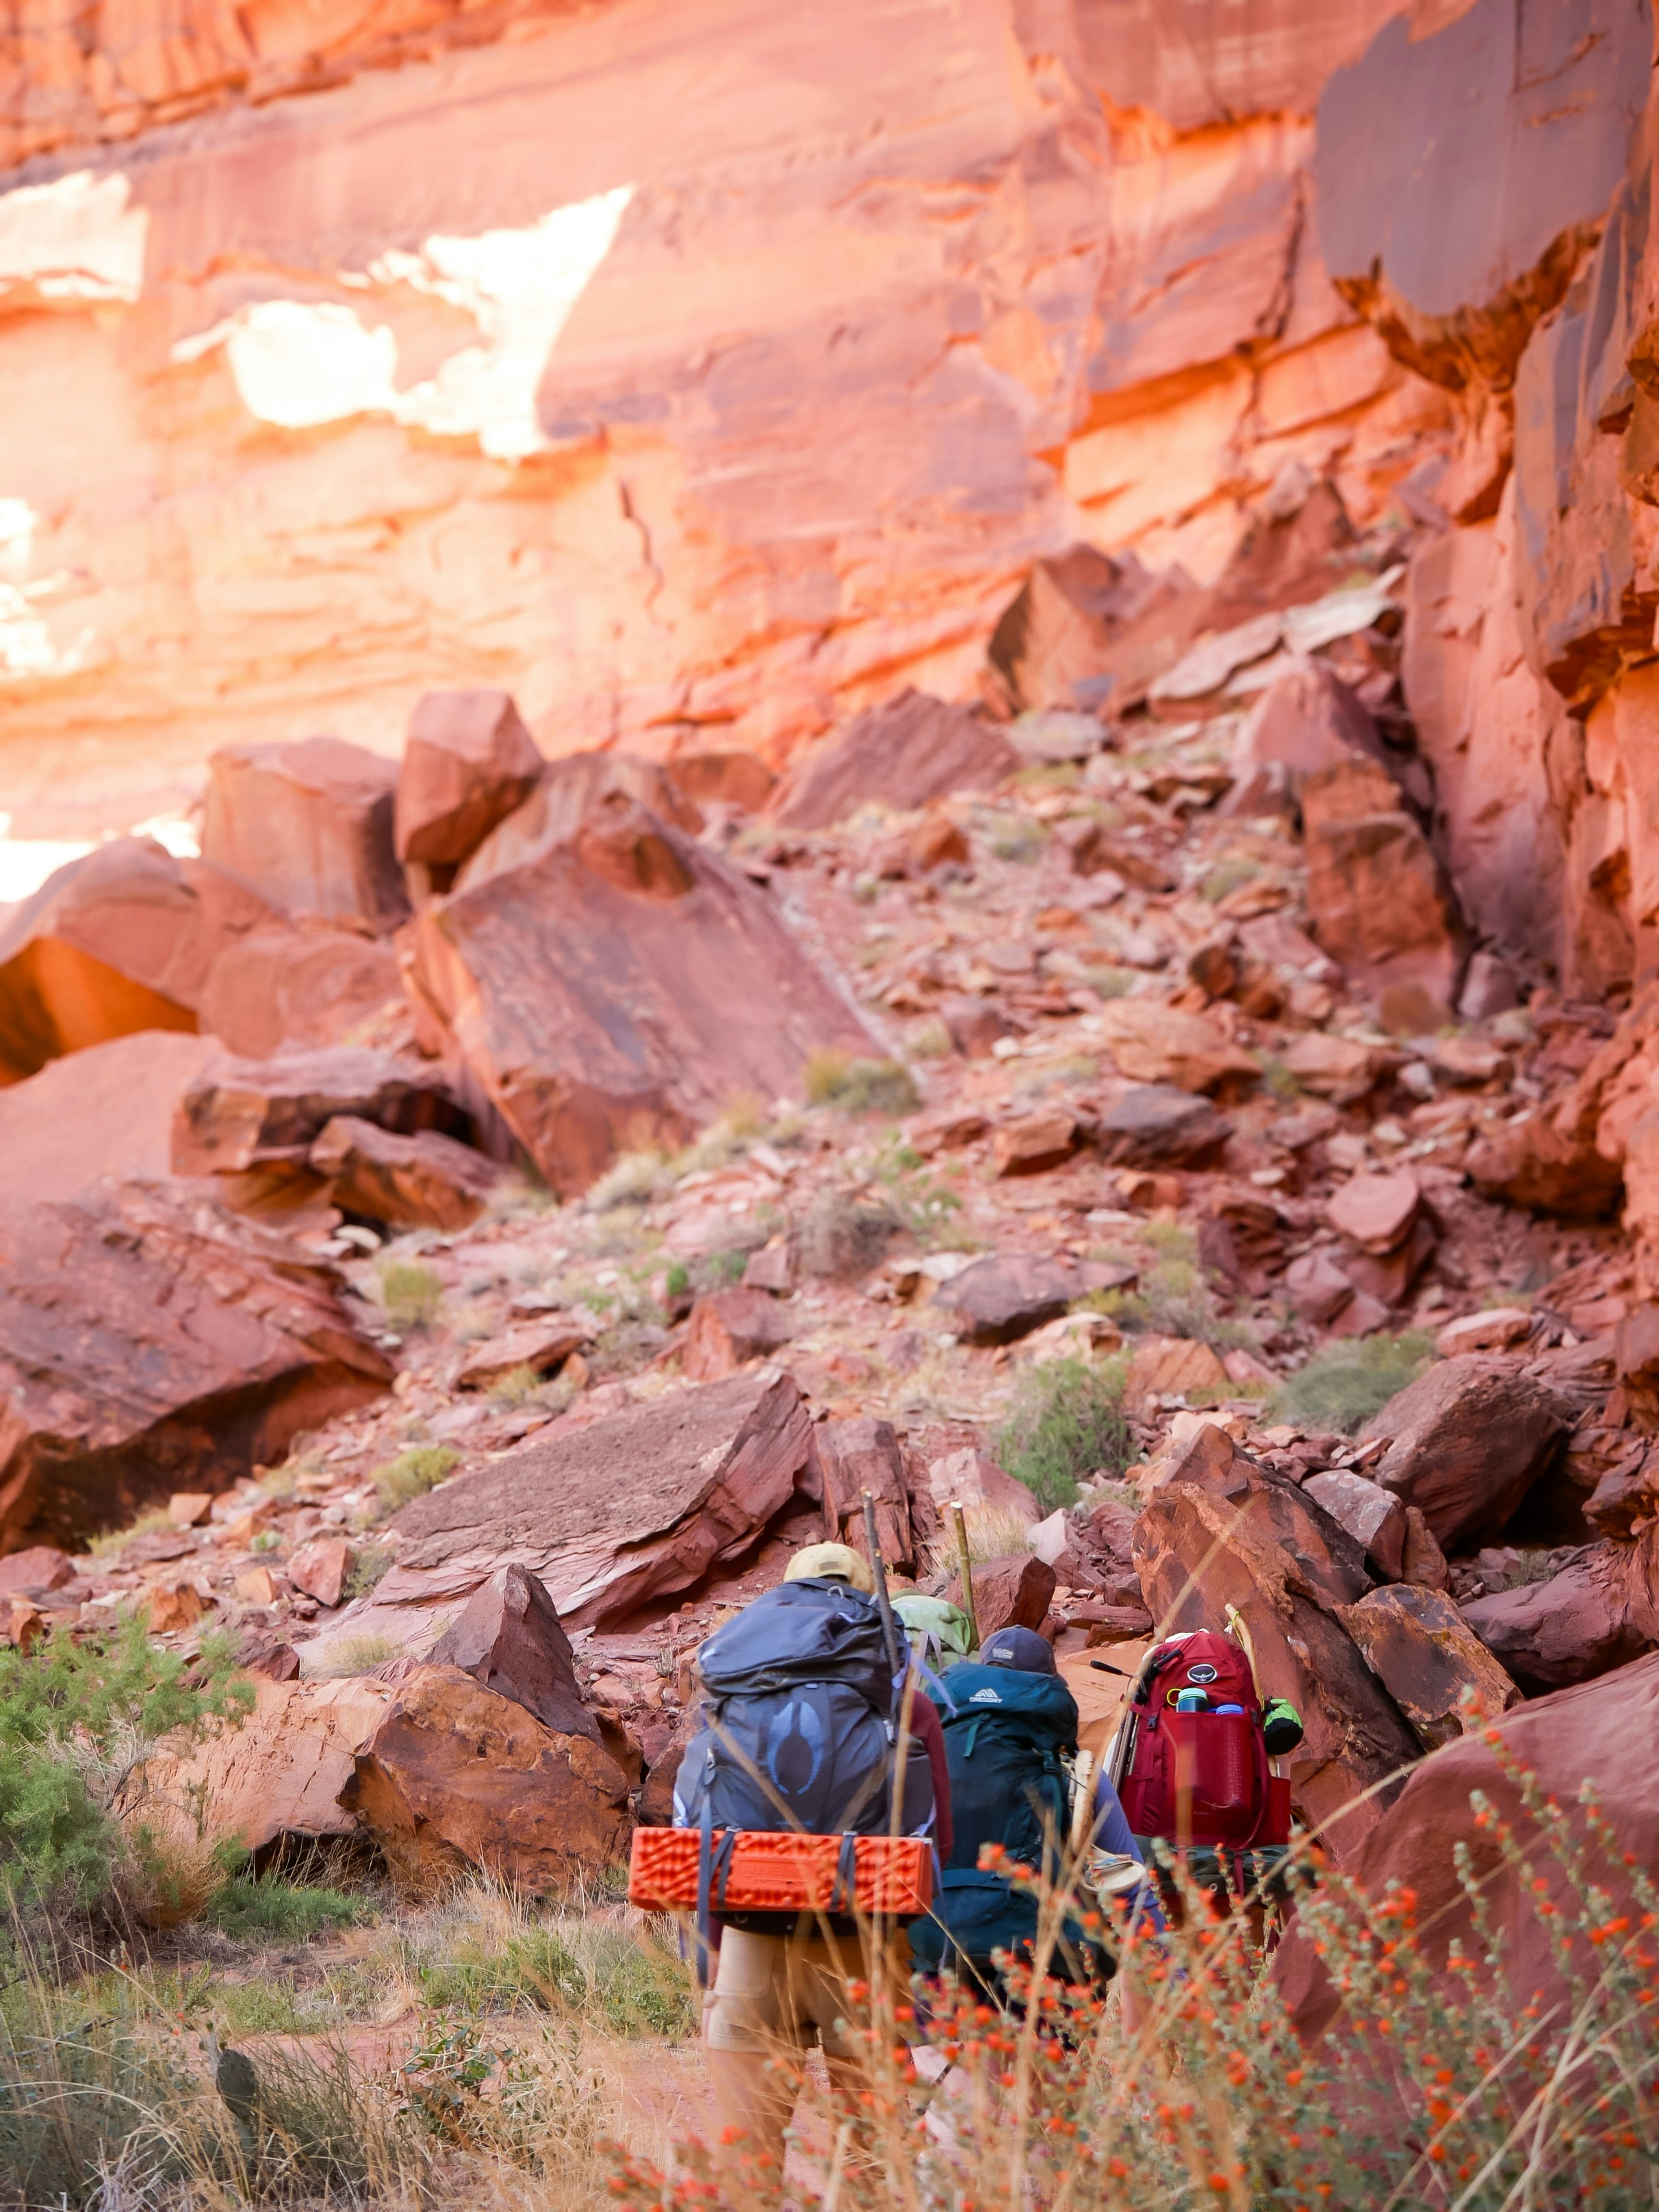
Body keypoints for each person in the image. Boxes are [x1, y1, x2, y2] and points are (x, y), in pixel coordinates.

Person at [676, 1541, 947, 2182]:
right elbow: (937, 1847)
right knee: (873, 2167)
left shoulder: (737, 1692)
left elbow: (704, 1826)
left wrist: (715, 1958)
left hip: (750, 1944)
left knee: (749, 2169)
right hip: (866, 1953)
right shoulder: (905, 1699)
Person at [912, 1625, 1146, 2001]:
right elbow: (1134, 1893)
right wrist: (1175, 1978)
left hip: (939, 1945)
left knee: (964, 2049)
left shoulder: (924, 1759)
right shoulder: (1076, 1771)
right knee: (1049, 2050)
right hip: (1043, 1957)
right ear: (1048, 1689)